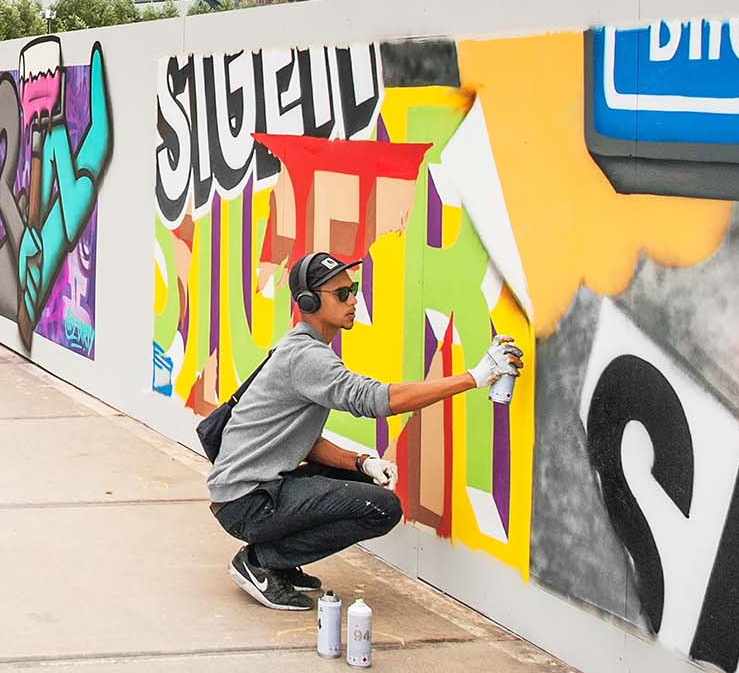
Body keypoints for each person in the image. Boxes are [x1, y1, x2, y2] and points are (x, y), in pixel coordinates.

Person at [206, 251, 524, 611]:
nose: (354, 299)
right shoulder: (307, 357)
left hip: (254, 491)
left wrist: (361, 462)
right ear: (308, 302)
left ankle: (277, 560)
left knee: (365, 484)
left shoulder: (301, 348)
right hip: (248, 502)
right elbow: (376, 399)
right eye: (341, 294)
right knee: (381, 508)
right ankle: (261, 562)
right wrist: (474, 377)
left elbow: (302, 443)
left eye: (352, 289)